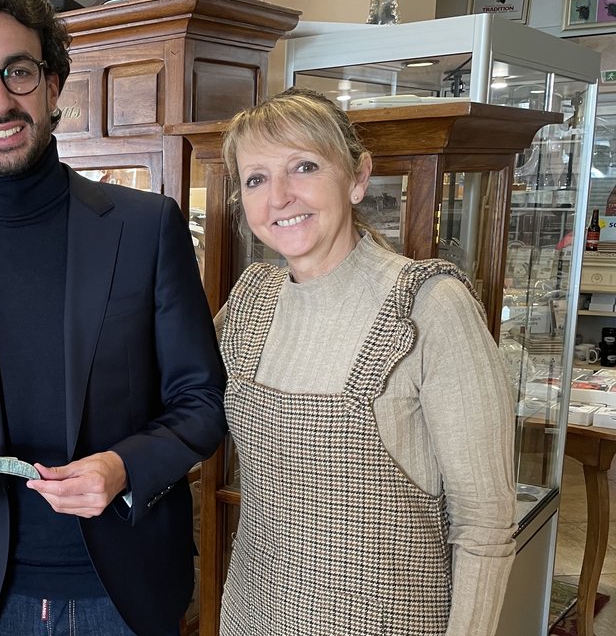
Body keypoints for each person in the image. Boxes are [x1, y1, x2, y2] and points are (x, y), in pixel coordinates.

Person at [0, 0, 227, 636]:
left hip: (129, 590)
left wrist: (124, 465)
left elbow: (203, 400)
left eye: (17, 72)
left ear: (50, 86)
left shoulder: (145, 227)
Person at [216, 87, 515, 636]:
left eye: (303, 166)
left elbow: (485, 526)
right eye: (256, 178)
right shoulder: (251, 299)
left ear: (357, 178)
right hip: (252, 611)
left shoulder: (429, 306)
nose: (278, 196)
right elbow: (176, 404)